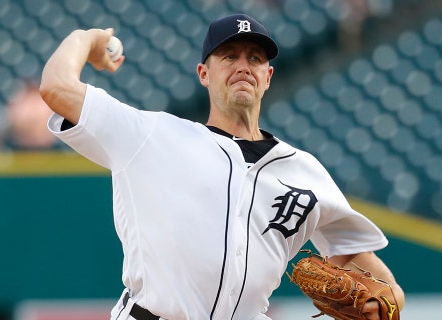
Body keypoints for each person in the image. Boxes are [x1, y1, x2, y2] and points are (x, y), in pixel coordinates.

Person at [40, 13, 404, 320]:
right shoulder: (150, 135)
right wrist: (85, 39)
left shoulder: (304, 170)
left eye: (255, 58)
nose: (243, 66)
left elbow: (363, 263)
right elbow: (56, 86)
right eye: (229, 56)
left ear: (268, 77)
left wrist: (385, 302)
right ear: (203, 73)